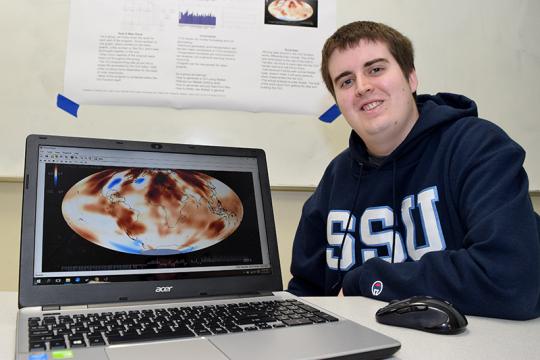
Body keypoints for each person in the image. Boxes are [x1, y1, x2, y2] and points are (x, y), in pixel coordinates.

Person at [287, 21, 540, 320]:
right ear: (339, 102)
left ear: (411, 77)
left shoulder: (476, 146)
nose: (362, 86)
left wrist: (367, 281)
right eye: (345, 81)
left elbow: (511, 280)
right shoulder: (336, 176)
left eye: (376, 69)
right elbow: (305, 289)